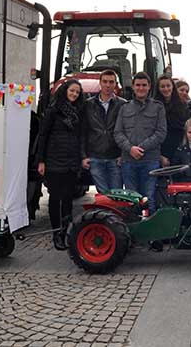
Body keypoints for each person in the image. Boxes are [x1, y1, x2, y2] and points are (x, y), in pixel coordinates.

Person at [35, 79, 85, 251]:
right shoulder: (53, 111)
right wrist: (41, 160)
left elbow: (80, 137)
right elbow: (43, 136)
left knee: (68, 199)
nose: (74, 94)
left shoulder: (78, 112)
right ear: (65, 91)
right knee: (55, 198)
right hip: (54, 160)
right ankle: (56, 233)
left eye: (77, 92)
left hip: (72, 160)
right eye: (72, 91)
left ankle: (66, 232)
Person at [114, 72, 167, 211]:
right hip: (128, 161)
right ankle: (134, 229)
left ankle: (151, 231)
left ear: (149, 87)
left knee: (149, 198)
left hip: (150, 160)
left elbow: (161, 132)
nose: (141, 88)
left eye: (144, 85)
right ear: (133, 87)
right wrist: (130, 149)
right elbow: (118, 133)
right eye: (138, 85)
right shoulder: (124, 108)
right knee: (131, 200)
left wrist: (141, 148)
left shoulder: (158, 107)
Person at [81, 70, 126, 194]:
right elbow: (83, 132)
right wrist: (83, 156)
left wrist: (123, 154)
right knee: (103, 196)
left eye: (111, 82)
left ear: (115, 84)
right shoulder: (88, 105)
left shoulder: (123, 105)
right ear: (100, 83)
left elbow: (127, 131)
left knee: (117, 194)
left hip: (115, 157)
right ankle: (105, 214)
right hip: (95, 157)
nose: (107, 85)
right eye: (105, 82)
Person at [156, 74, 190, 167]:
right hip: (160, 151)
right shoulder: (153, 106)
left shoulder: (183, 106)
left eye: (168, 86)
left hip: (178, 150)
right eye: (162, 86)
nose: (166, 89)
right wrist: (159, 156)